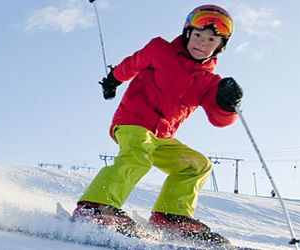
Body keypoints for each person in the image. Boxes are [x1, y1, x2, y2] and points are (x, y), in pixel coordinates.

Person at [72, 4, 243, 243]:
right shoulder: (160, 49)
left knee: (198, 165)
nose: (202, 43)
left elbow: (219, 120)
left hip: (161, 137)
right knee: (138, 154)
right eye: (198, 36)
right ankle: (96, 206)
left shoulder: (210, 82)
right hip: (133, 121)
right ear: (187, 33)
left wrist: (228, 105)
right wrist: (113, 80)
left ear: (220, 46)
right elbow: (132, 64)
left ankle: (171, 216)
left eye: (211, 39)